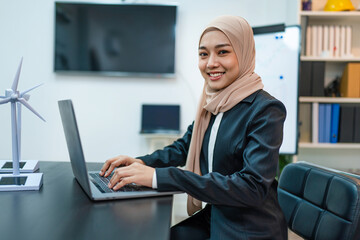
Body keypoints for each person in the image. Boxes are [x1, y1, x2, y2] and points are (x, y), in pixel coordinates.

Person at [100, 15, 288, 240]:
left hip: (251, 228)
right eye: (203, 54)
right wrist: (142, 162)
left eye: (223, 52)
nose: (210, 63)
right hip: (218, 214)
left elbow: (252, 187)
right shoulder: (214, 102)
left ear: (245, 53)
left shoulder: (265, 109)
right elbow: (185, 147)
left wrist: (159, 177)